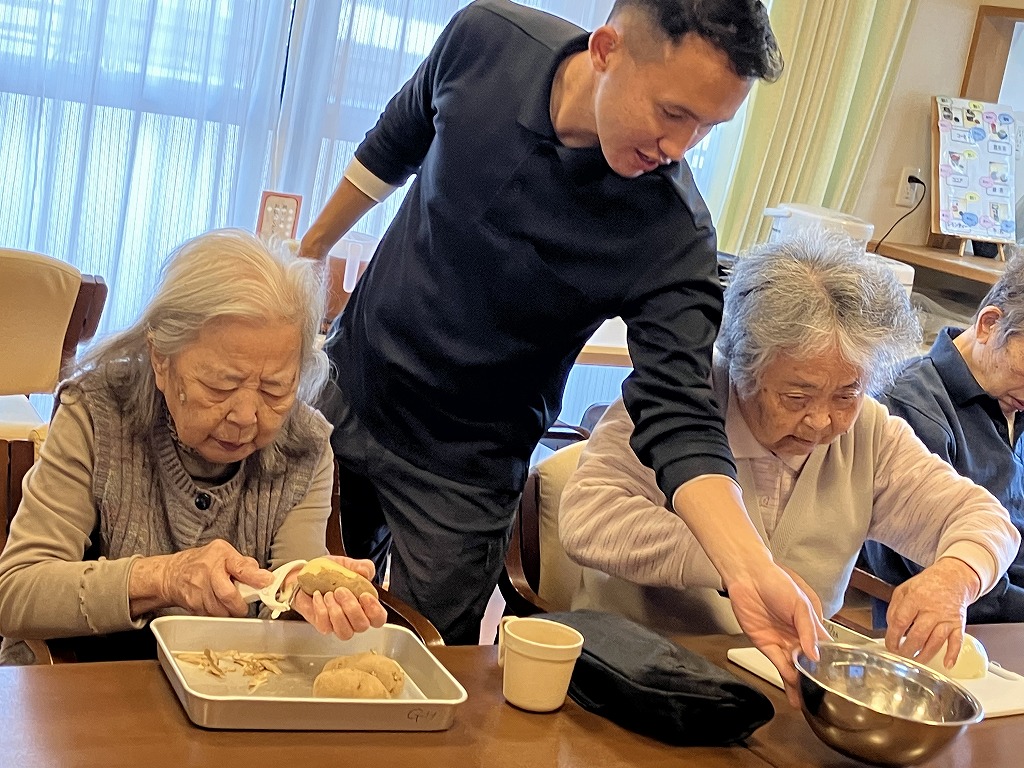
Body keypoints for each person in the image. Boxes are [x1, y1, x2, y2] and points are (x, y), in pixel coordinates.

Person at [301, 0, 822, 673]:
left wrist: (749, 568)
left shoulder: (670, 232)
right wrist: (308, 253)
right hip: (350, 388)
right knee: (300, 613)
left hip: (465, 470)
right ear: (606, 50)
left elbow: (680, 413)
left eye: (706, 127)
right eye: (673, 113)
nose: (678, 148)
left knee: (421, 668)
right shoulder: (486, 40)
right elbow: (395, 141)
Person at [558, 230, 1020, 681]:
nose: (821, 422)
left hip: (780, 679)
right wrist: (741, 567)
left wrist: (954, 578)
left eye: (846, 395)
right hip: (635, 666)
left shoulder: (870, 432)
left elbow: (985, 518)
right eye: (796, 397)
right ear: (743, 369)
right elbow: (588, 517)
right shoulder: (676, 403)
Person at [0, 229, 387, 664]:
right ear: (161, 360)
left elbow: (291, 576)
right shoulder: (98, 411)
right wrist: (163, 577)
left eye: (275, 389)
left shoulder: (304, 442)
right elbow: (16, 592)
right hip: (85, 682)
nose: (246, 416)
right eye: (220, 385)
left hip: (224, 688)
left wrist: (311, 593)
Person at [863, 253, 1024, 624]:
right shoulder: (910, 405)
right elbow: (935, 573)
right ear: (989, 325)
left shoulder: (1014, 398)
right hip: (957, 624)